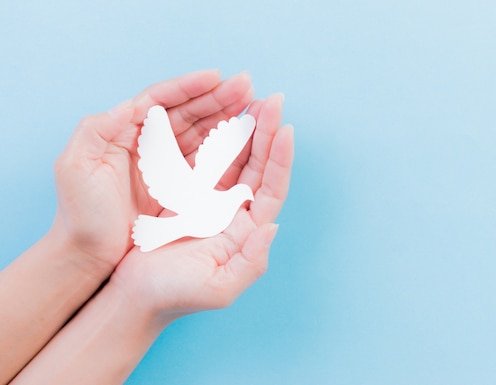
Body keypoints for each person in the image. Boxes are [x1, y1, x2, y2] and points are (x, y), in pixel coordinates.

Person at [0, 70, 294, 384]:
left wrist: (89, 259)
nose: (244, 194)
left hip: (165, 227)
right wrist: (107, 273)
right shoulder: (207, 195)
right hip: (165, 225)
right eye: (242, 193)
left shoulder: (215, 200)